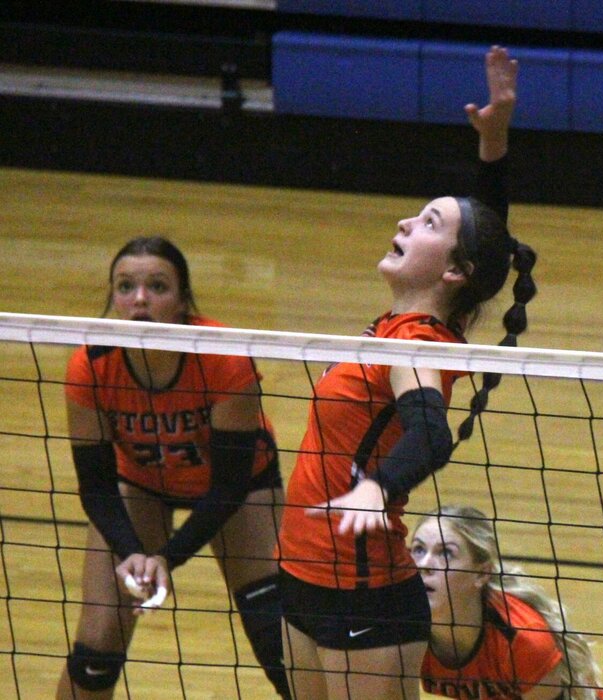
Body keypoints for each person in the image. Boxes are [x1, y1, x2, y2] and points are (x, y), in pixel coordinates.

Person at [275, 45, 537, 699]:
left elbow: (431, 437)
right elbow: (481, 245)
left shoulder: (415, 343)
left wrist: (376, 488)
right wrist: (494, 148)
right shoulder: (406, 324)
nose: (403, 221)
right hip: (301, 575)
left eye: (425, 223)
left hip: (364, 595)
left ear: (452, 272)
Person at [57, 237, 290, 699]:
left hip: (239, 489)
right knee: (96, 649)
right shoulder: (90, 365)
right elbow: (97, 488)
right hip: (139, 485)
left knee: (278, 639)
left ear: (183, 300)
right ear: (113, 298)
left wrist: (166, 556)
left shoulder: (223, 359)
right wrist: (132, 553)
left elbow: (227, 486)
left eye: (157, 286)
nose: (139, 298)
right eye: (126, 287)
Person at [411, 506, 603, 700]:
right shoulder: (398, 627)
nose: (424, 565)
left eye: (445, 553)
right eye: (418, 550)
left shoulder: (523, 638)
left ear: (481, 573)